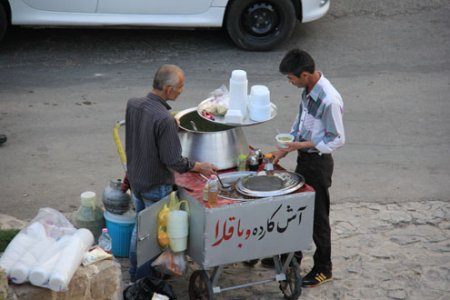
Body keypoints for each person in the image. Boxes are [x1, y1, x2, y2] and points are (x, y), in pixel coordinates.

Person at [125, 64, 218, 282]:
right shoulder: (164, 120)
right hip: (156, 185)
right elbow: (174, 161)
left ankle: (133, 274)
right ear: (167, 89)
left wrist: (171, 127)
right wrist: (200, 166)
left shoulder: (134, 105)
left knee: (140, 230)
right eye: (180, 87)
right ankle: (143, 283)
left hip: (136, 180)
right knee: (153, 239)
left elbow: (141, 135)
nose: (182, 90)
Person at [268, 49, 345, 287]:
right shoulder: (308, 91)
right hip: (304, 158)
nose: (290, 82)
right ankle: (291, 256)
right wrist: (286, 147)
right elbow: (300, 122)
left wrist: (304, 144)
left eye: (291, 78)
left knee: (317, 218)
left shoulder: (329, 99)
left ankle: (324, 268)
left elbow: (337, 138)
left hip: (318, 163)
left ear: (304, 74)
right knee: (297, 209)